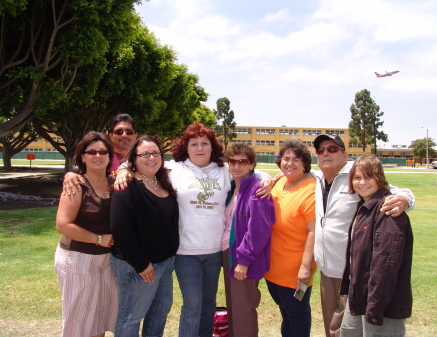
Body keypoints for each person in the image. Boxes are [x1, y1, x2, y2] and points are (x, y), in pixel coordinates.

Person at [113, 121, 272, 337]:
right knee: (193, 306)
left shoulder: (223, 171)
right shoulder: (174, 169)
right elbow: (143, 163)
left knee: (208, 305)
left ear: (212, 147)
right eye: (193, 144)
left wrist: (269, 179)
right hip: (186, 252)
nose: (199, 148)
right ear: (185, 148)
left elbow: (253, 173)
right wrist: (123, 169)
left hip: (214, 251)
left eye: (204, 143)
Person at [312, 135, 415, 337]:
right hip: (327, 270)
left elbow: (392, 192)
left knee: (347, 328)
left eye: (332, 149)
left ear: (344, 154)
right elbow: (290, 170)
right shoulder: (316, 177)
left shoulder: (357, 172)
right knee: (333, 329)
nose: (325, 153)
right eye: (320, 150)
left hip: (353, 274)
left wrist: (405, 199)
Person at [110, 135, 179, 337]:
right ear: (134, 159)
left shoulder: (163, 181)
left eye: (156, 153)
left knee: (160, 312)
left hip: (164, 264)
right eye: (145, 154)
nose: (151, 158)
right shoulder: (127, 186)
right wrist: (141, 264)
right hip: (138, 267)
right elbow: (121, 229)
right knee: (131, 317)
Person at [340, 154, 413, 336]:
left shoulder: (388, 209)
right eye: (357, 177)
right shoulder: (365, 206)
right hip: (358, 297)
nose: (362, 182)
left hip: (381, 305)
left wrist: (375, 308)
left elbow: (386, 265)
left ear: (379, 178)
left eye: (368, 176)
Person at [54, 131, 117, 337]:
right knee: (80, 324)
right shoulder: (76, 184)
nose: (97, 156)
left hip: (107, 262)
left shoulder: (114, 182)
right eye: (91, 152)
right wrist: (98, 239)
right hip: (78, 261)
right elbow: (63, 225)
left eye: (102, 151)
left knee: (99, 319)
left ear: (109, 155)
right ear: (82, 156)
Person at [222, 143, 275, 337]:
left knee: (243, 308)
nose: (236, 166)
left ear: (251, 164)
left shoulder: (257, 191)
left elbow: (259, 231)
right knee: (234, 307)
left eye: (242, 161)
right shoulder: (233, 188)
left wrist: (243, 261)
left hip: (243, 257)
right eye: (232, 161)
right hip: (229, 251)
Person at [264, 139, 317, 337]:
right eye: (286, 159)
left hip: (295, 273)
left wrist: (305, 267)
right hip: (273, 268)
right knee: (286, 315)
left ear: (305, 164)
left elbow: (313, 232)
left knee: (298, 318)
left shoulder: (310, 191)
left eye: (296, 159)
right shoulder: (280, 183)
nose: (290, 163)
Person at [62, 114, 137, 195]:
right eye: (119, 132)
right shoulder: (102, 158)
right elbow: (84, 177)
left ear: (136, 135)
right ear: (111, 136)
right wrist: (70, 175)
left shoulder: (143, 159)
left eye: (129, 132)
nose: (124, 135)